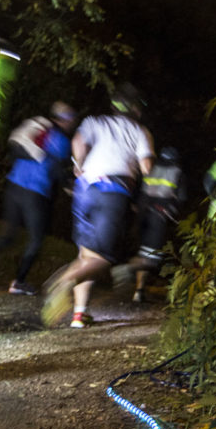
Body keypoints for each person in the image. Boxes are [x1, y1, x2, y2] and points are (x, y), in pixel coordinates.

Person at [41, 82, 154, 329]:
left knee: (87, 255)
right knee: (104, 257)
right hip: (113, 191)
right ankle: (62, 281)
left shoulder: (95, 122)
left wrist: (78, 164)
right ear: (135, 108)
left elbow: (79, 141)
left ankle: (79, 314)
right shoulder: (139, 131)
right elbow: (147, 167)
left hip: (85, 189)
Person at [0, 101, 77, 295]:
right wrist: (69, 186)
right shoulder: (61, 140)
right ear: (66, 121)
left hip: (14, 187)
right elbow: (57, 169)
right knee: (36, 239)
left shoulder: (37, 130)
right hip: (35, 193)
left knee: (8, 235)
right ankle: (19, 282)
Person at [113, 145, 186, 303]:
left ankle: (139, 292)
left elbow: (139, 190)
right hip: (159, 217)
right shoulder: (177, 172)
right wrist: (174, 211)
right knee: (152, 258)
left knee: (144, 252)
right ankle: (126, 269)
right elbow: (182, 198)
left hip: (142, 215)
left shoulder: (151, 168)